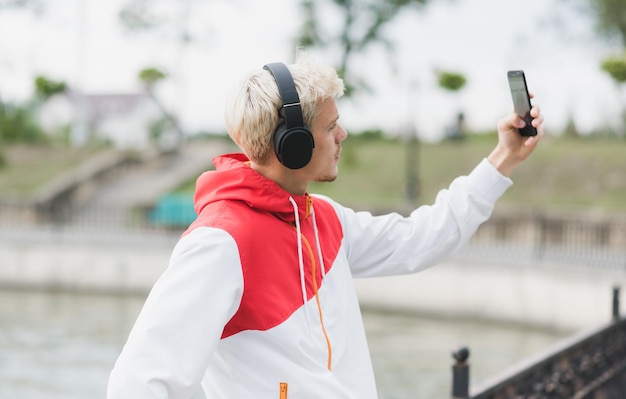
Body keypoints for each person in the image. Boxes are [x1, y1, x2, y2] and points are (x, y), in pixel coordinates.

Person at [107, 54, 544, 399]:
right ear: (292, 144)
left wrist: (504, 157)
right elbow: (139, 384)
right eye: (331, 126)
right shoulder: (220, 242)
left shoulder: (325, 219)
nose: (343, 134)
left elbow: (423, 238)